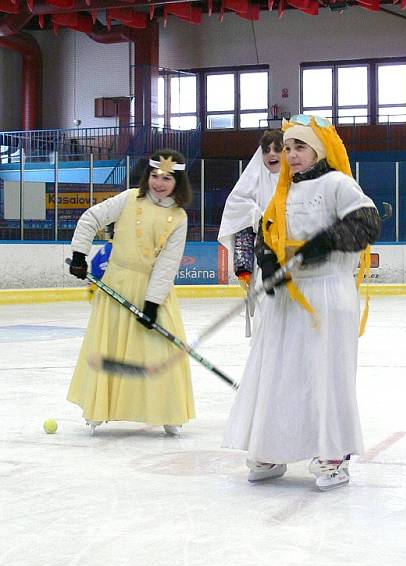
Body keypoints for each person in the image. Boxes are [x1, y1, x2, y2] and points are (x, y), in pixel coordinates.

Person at [223, 114, 381, 491]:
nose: (292, 155)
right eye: (288, 148)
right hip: (288, 298)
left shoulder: (338, 184)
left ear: (319, 149)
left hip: (327, 293)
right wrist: (268, 261)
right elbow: (265, 233)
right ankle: (272, 448)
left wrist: (325, 242)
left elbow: (367, 223)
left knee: (324, 374)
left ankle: (331, 456)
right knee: (278, 372)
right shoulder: (282, 191)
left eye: (300, 147)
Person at [67, 149, 194, 436]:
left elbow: (167, 263)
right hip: (118, 284)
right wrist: (79, 254)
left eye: (167, 178)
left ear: (179, 182)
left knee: (161, 349)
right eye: (155, 176)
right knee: (109, 344)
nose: (159, 183)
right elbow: (91, 218)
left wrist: (152, 304)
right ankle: (98, 408)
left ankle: (168, 411)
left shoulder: (179, 217)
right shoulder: (128, 199)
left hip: (154, 290)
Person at [217, 129, 283, 290]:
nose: (271, 154)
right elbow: (236, 205)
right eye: (266, 150)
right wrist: (259, 217)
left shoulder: (301, 180)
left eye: (277, 149)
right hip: (264, 254)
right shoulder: (254, 180)